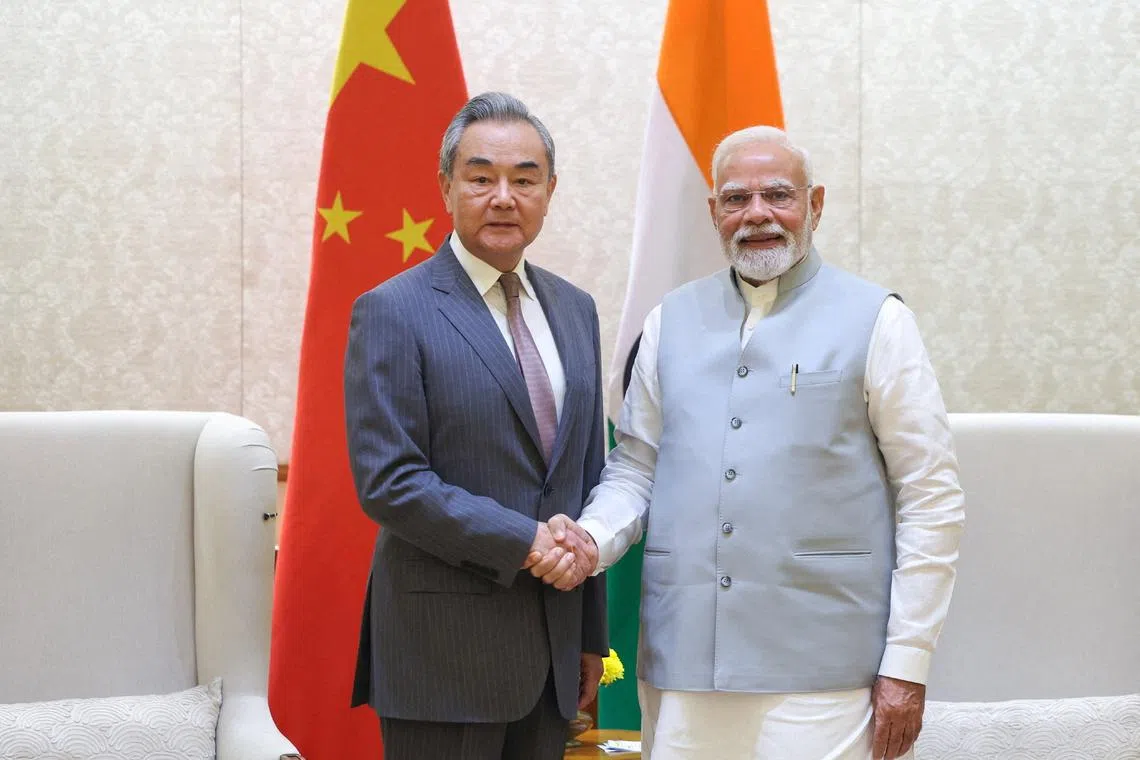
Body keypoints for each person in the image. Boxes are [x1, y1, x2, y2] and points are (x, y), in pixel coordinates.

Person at [551, 126, 967, 759]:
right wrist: (589, 541)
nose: (757, 215)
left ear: (815, 205)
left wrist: (908, 662)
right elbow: (636, 468)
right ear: (714, 212)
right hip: (684, 662)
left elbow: (930, 496)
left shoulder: (879, 319)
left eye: (778, 195)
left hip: (826, 673)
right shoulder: (669, 321)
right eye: (736, 199)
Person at [343, 91, 606, 760]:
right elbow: (391, 482)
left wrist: (589, 638)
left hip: (552, 657)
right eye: (481, 178)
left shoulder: (576, 310)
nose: (503, 198)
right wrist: (525, 541)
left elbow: (585, 478)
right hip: (443, 659)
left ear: (550, 192)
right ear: (446, 187)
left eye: (525, 180)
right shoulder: (393, 310)